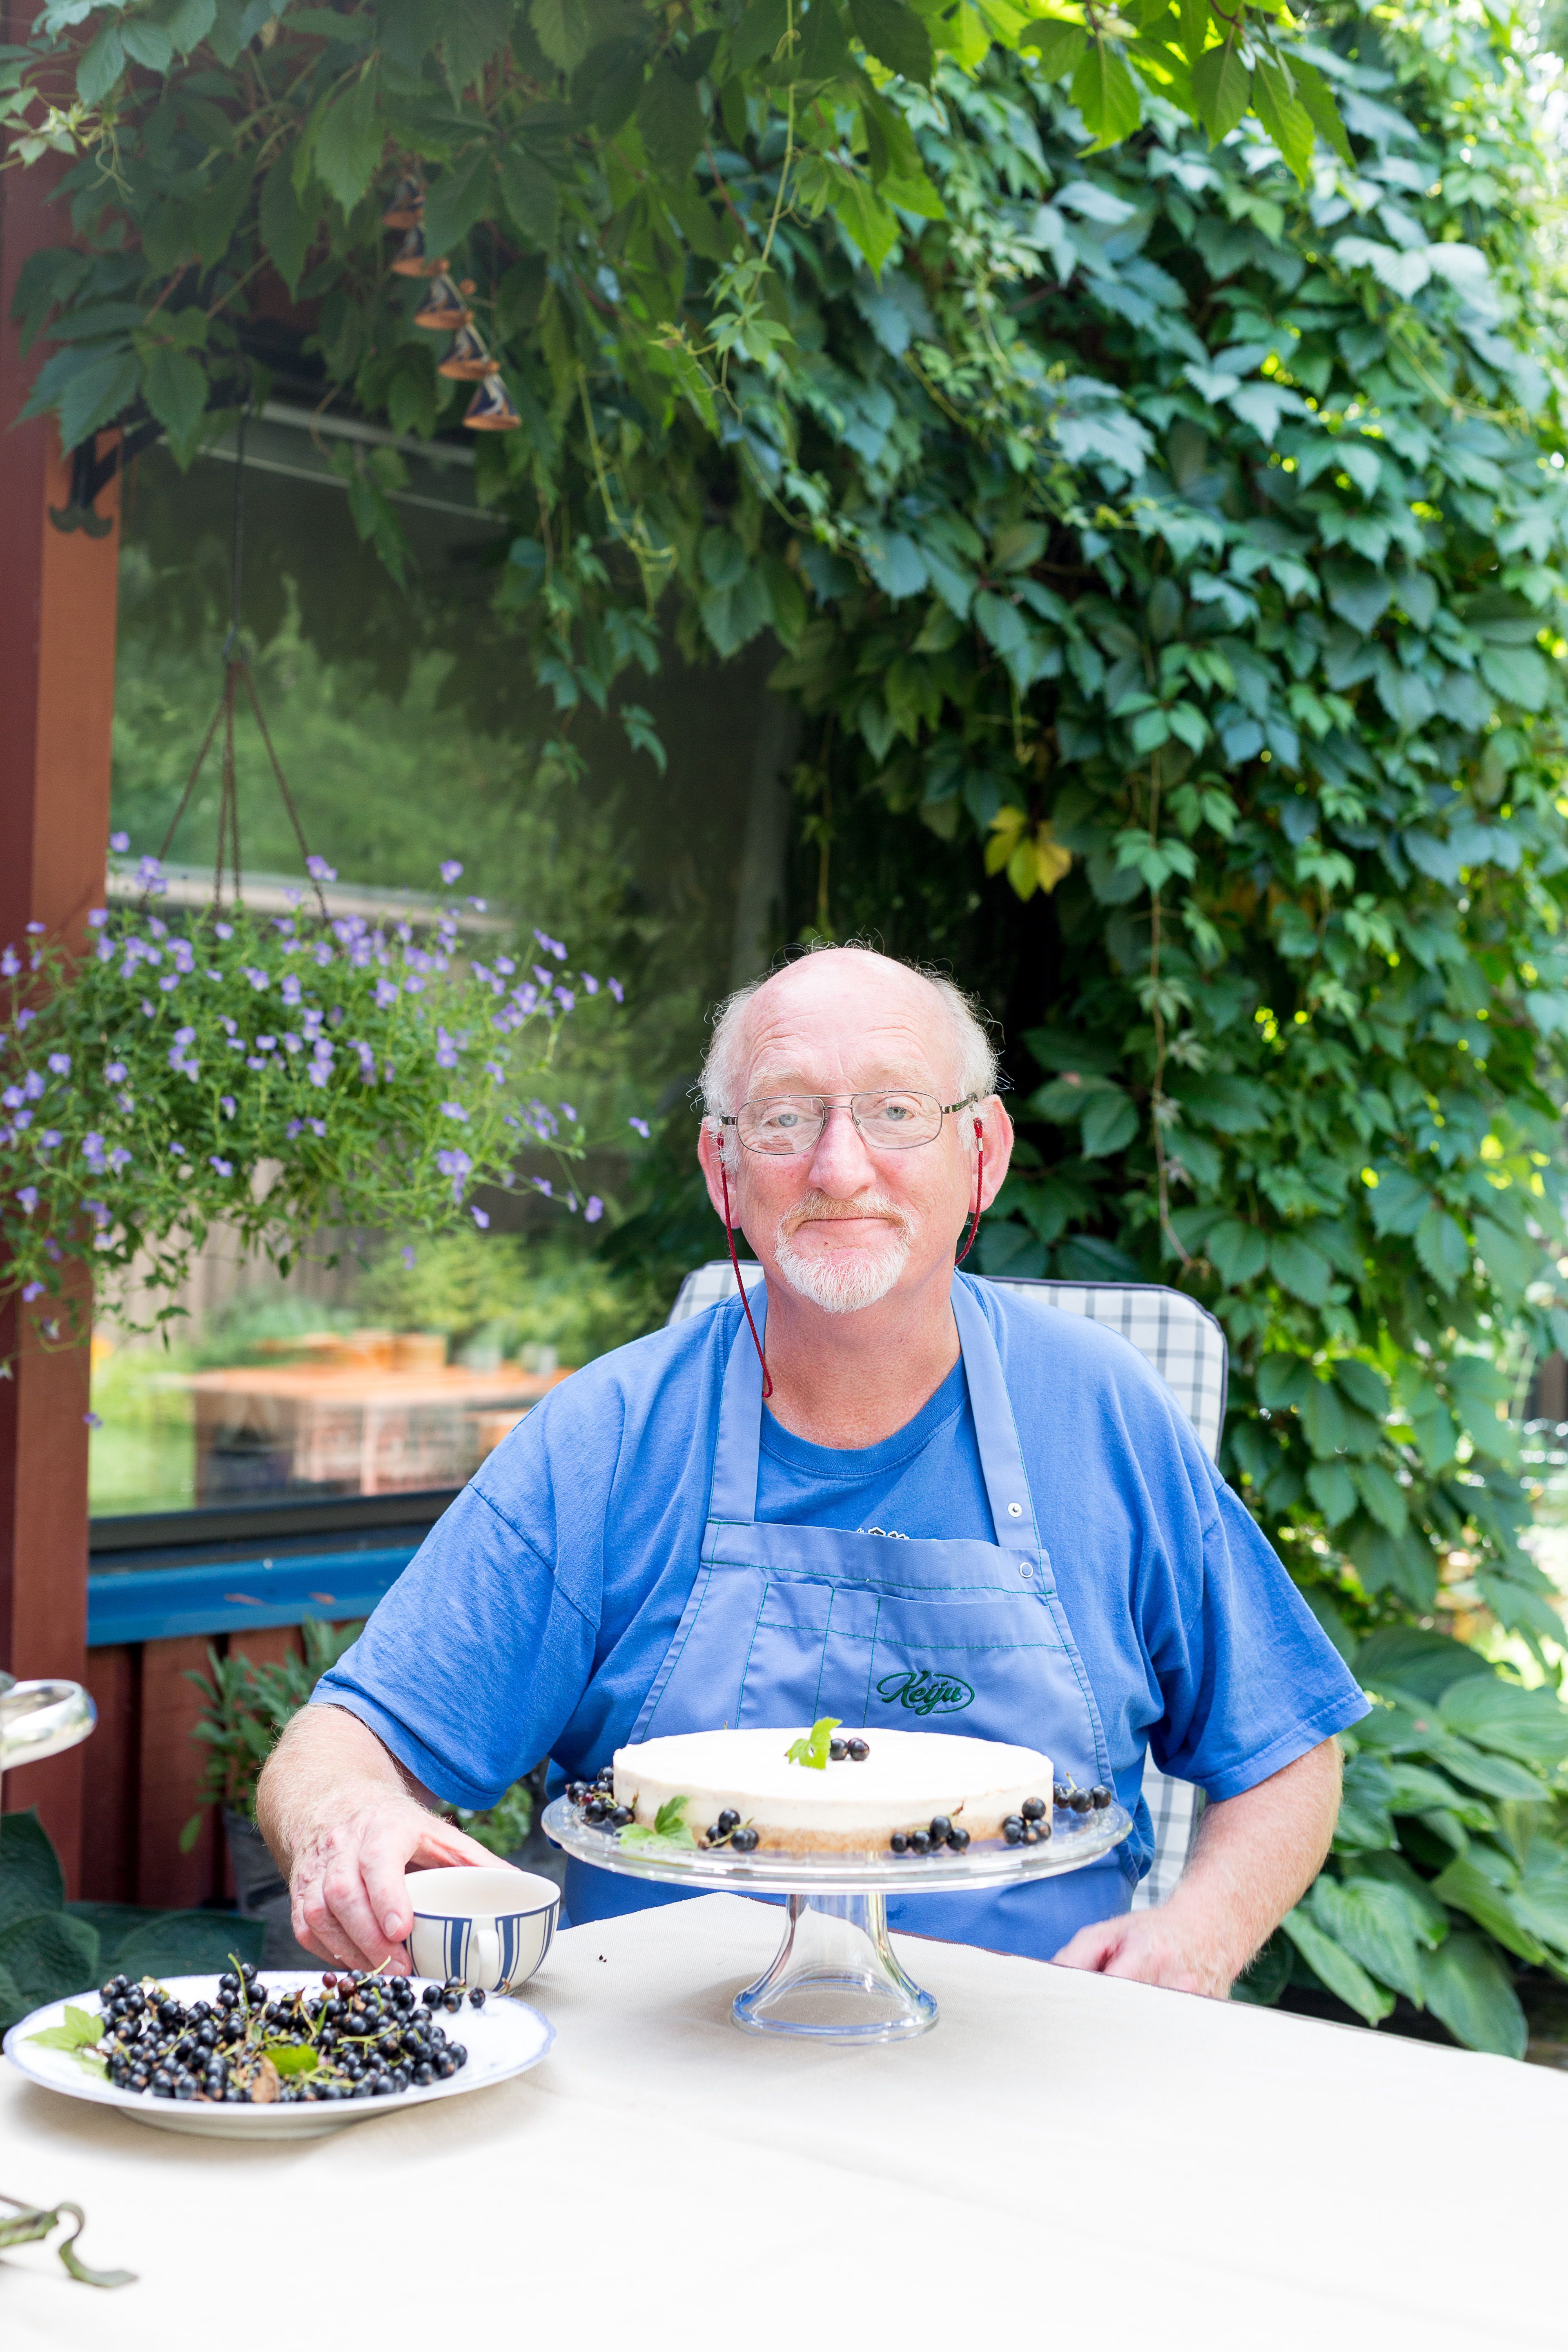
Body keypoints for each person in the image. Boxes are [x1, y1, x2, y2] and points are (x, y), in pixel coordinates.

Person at [258, 945, 1367, 1996]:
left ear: (983, 1154)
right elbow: (344, 1743)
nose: (840, 1167)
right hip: (663, 2088)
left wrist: (1199, 1936)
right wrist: (342, 1822)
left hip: (1032, 2076)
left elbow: (1285, 1755)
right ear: (724, 1170)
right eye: (786, 1119)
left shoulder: (1102, 1413)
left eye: (897, 1112)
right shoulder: (606, 1438)